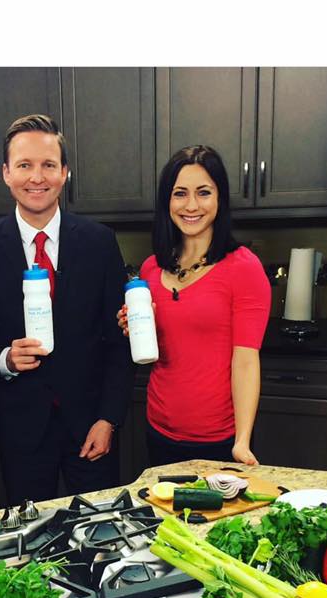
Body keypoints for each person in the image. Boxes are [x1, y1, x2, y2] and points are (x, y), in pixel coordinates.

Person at [0, 114, 132, 505]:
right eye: (24, 165)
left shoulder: (99, 243)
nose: (37, 177)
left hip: (92, 426)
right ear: (6, 173)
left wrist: (109, 419)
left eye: (48, 165)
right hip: (21, 431)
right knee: (32, 540)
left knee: (100, 536)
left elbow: (117, 341)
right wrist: (4, 357)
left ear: (64, 173)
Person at [119, 145, 270, 468]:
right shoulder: (150, 269)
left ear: (220, 198)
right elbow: (160, 349)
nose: (191, 205)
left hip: (219, 440)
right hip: (158, 429)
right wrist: (134, 327)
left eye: (203, 193)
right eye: (179, 194)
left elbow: (245, 361)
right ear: (166, 201)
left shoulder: (244, 268)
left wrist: (242, 441)